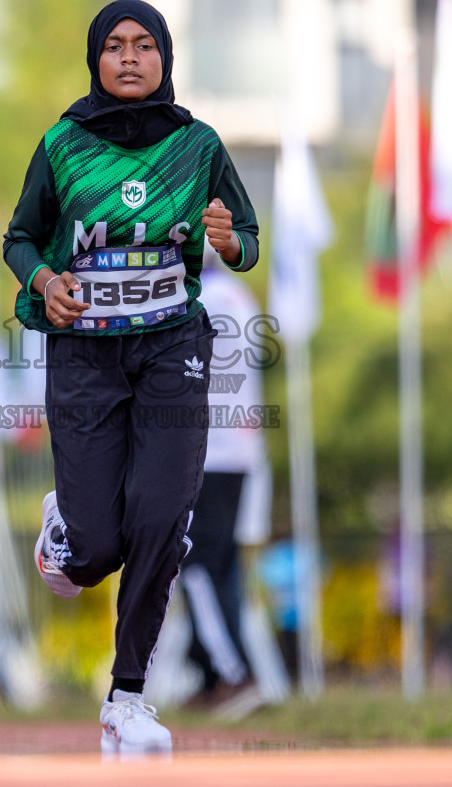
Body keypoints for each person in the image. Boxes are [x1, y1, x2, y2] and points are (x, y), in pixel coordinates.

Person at [3, 0, 259, 758]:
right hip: (85, 355)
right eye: (113, 45)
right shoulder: (63, 144)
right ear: (95, 59)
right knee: (92, 553)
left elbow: (245, 237)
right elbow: (20, 237)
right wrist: (47, 279)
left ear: (164, 57)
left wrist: (230, 241)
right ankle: (67, 528)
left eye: (143, 45)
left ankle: (128, 698)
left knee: (163, 518)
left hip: (172, 347)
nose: (128, 57)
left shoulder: (198, 144)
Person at [181, 255, 269, 718]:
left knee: (194, 565)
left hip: (209, 448)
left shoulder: (202, 298)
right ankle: (212, 674)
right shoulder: (235, 292)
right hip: (236, 448)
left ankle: (234, 673)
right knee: (221, 565)